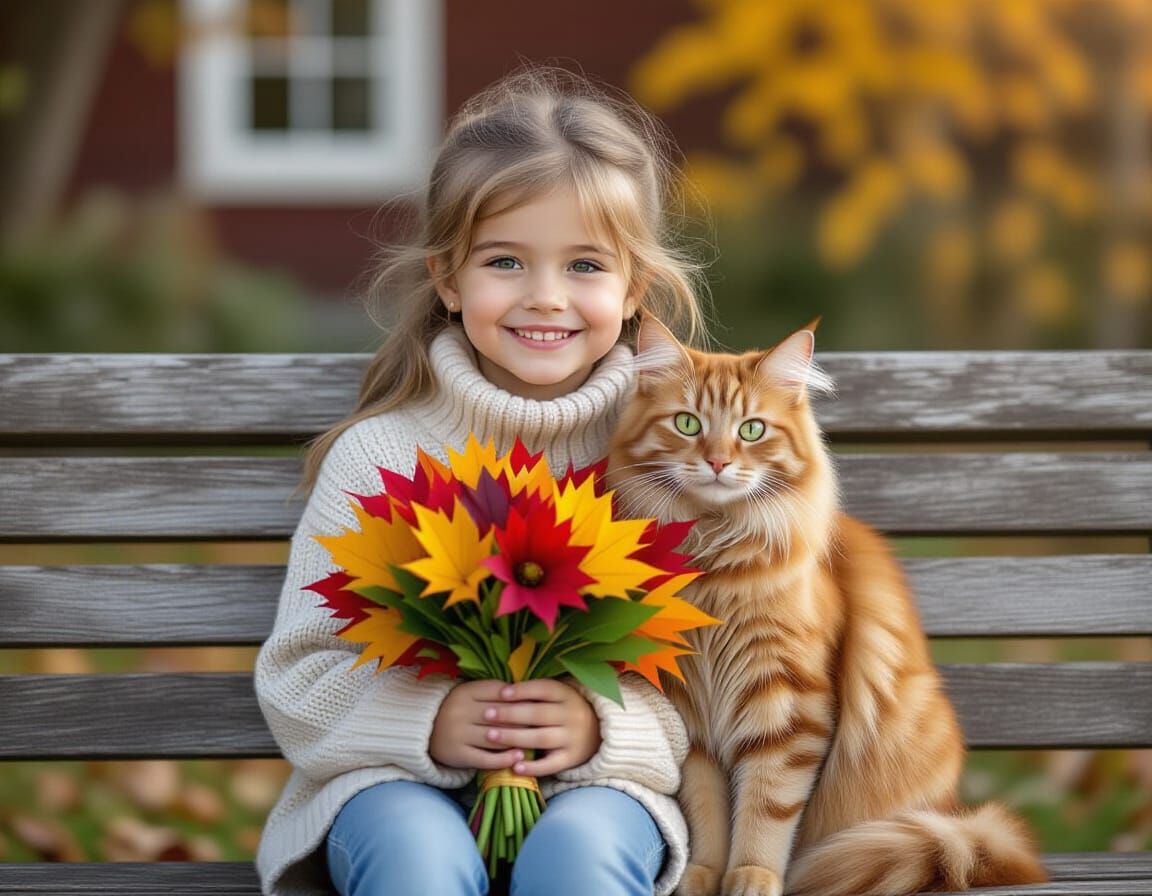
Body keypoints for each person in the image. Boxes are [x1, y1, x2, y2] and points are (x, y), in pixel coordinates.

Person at [253, 64, 711, 896]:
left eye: (584, 266)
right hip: (391, 785)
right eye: (505, 261)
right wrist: (425, 722)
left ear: (634, 287)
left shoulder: (667, 465)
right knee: (418, 858)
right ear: (447, 278)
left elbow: (711, 678)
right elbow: (299, 675)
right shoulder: (380, 459)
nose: (545, 298)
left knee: (580, 858)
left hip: (602, 788)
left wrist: (602, 726)